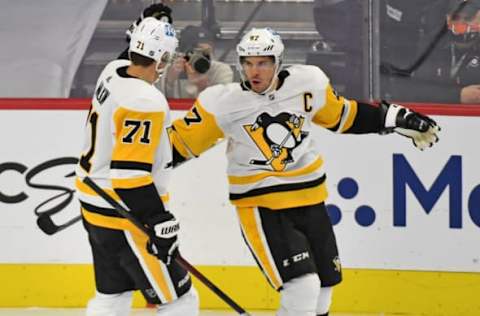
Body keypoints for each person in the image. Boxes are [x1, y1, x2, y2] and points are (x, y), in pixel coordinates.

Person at [168, 27, 440, 316]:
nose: (254, 71)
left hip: (311, 199)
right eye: (247, 63)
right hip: (262, 205)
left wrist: (393, 117)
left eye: (262, 63)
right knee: (302, 286)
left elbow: (344, 116)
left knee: (325, 285)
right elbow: (179, 144)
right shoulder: (222, 103)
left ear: (278, 62)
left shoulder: (307, 83)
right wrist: (128, 168)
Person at [75, 17, 199, 316]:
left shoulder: (113, 71)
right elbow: (129, 174)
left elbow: (128, 57)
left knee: (112, 296)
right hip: (125, 215)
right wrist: (158, 220)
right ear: (164, 59)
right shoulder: (145, 101)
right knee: (180, 299)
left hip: (94, 206)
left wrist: (148, 25)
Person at [382, 0, 480, 104]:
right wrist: (457, 95)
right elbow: (409, 90)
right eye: (456, 17)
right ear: (447, 17)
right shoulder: (431, 46)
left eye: (468, 18)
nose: (461, 25)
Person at [157, 24, 234, 98]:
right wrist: (170, 81)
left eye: (206, 52)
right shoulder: (172, 69)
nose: (203, 57)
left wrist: (203, 87)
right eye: (197, 52)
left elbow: (222, 103)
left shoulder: (221, 70)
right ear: (184, 54)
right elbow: (159, 103)